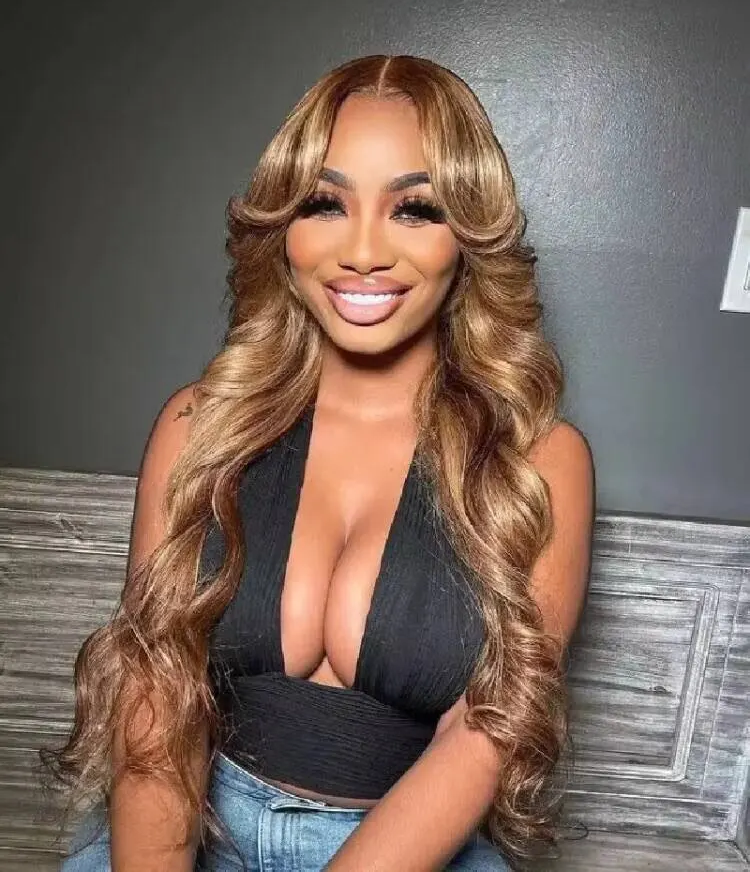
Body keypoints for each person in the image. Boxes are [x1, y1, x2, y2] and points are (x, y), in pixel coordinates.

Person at [49, 53, 594, 872]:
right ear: (284, 228)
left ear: (468, 236)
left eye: (415, 209)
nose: (363, 251)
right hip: (199, 830)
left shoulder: (539, 463)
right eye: (324, 203)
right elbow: (156, 692)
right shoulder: (201, 425)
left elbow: (484, 735)